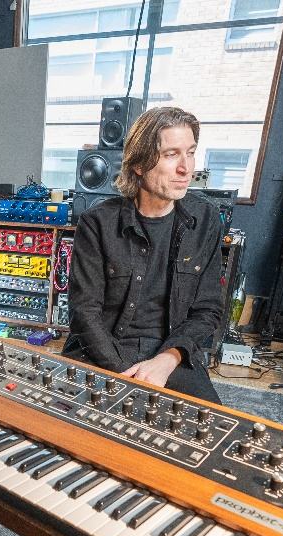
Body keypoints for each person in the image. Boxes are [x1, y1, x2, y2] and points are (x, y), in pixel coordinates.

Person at [66, 106, 224, 403]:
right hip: (103, 349)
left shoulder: (206, 220)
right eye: (171, 154)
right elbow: (84, 313)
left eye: (190, 152)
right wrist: (127, 375)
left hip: (170, 351)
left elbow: (208, 310)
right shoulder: (97, 223)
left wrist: (166, 360)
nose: (186, 168)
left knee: (210, 433)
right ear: (138, 164)